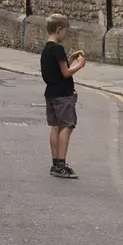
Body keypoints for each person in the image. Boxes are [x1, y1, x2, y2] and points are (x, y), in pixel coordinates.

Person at [40, 14, 85, 180]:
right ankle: (61, 164)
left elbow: (58, 68)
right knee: (67, 126)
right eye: (66, 31)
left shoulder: (47, 48)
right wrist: (79, 66)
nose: (66, 35)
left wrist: (72, 58)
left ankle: (55, 164)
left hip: (50, 92)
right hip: (63, 94)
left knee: (56, 126)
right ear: (59, 30)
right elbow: (65, 72)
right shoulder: (58, 48)